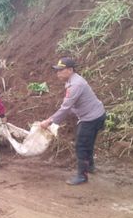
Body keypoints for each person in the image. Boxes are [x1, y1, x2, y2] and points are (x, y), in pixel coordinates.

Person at [40, 57, 106, 185]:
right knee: (88, 142)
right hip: (97, 114)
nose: (58, 73)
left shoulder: (76, 84)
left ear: (70, 70)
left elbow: (66, 107)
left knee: (81, 145)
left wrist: (49, 121)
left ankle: (82, 176)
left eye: (61, 70)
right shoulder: (72, 81)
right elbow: (70, 106)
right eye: (57, 70)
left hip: (91, 118)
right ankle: (90, 166)